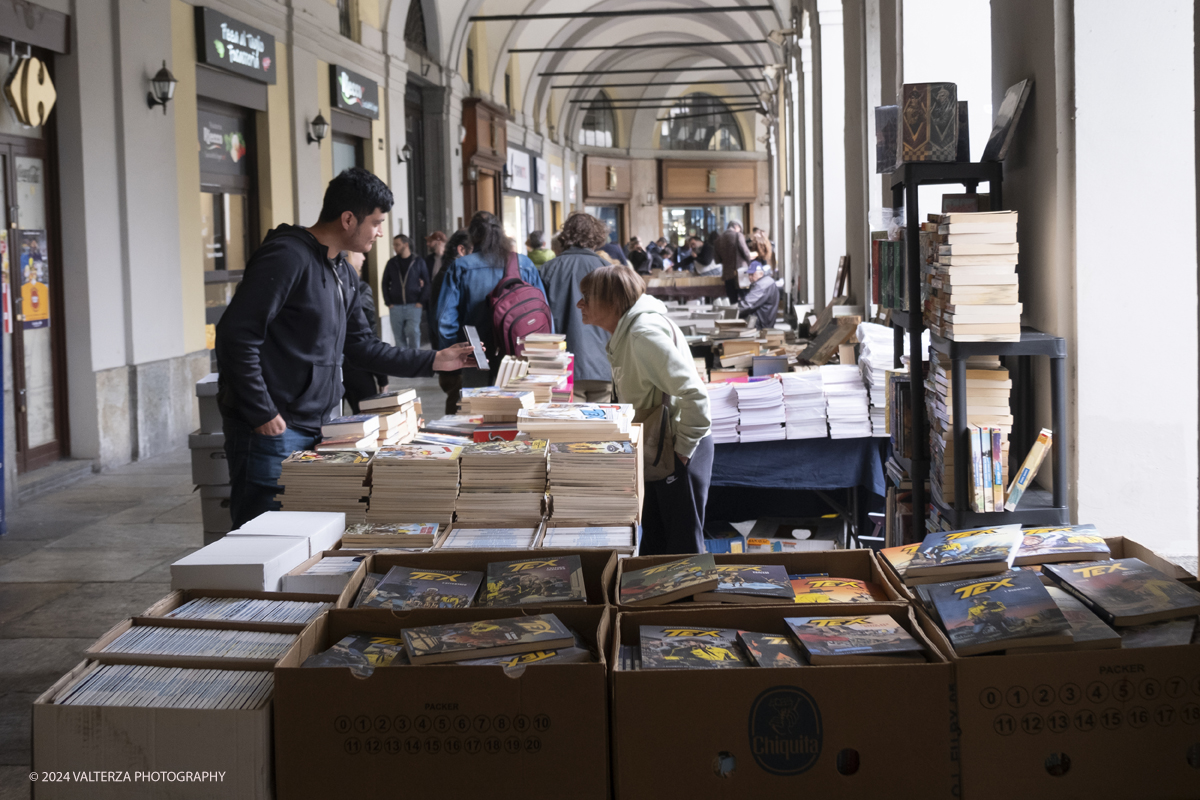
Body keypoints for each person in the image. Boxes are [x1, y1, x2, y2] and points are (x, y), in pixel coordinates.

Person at [215, 167, 475, 528]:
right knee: (263, 539)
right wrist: (260, 410)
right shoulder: (286, 256)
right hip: (273, 429)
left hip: (321, 426)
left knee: (303, 537)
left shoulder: (343, 272)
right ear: (348, 219)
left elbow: (361, 347)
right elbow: (235, 334)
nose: (380, 232)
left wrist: (433, 359)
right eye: (376, 222)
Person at [578, 265, 713, 555]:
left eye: (587, 297)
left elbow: (695, 394)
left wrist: (683, 450)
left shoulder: (642, 334)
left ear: (613, 302)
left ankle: (690, 601)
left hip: (676, 447)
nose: (580, 304)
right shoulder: (628, 332)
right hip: (657, 447)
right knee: (656, 544)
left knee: (683, 551)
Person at [436, 210, 548, 383]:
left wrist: (455, 351)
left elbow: (445, 320)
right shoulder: (524, 264)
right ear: (500, 233)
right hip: (519, 352)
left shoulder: (461, 266)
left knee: (478, 406)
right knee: (518, 406)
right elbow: (542, 309)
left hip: (475, 354)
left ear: (473, 235)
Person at [540, 212, 614, 402]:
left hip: (563, 366)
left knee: (569, 427)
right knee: (603, 426)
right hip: (604, 364)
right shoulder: (607, 268)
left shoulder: (549, 269)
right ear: (596, 236)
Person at [431, 229, 473, 414]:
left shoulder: (448, 272)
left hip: (451, 355)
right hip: (452, 357)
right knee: (457, 407)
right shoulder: (449, 275)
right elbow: (444, 323)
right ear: (462, 250)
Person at [340, 250, 388, 413]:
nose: (364, 258)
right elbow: (369, 334)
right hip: (357, 367)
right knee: (367, 421)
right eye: (360, 253)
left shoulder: (328, 286)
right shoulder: (361, 289)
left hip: (331, 369)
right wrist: (382, 376)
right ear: (351, 255)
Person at [382, 234, 429, 350]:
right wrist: (388, 302)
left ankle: (415, 359)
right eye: (394, 245)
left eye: (397, 245)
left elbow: (427, 283)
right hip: (395, 306)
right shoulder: (391, 263)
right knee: (398, 337)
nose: (395, 247)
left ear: (406, 245)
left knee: (413, 332)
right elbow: (384, 283)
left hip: (414, 305)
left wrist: (421, 301)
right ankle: (403, 363)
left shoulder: (418, 262)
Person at [714, 220, 753, 304]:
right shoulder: (738, 235)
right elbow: (746, 253)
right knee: (745, 299)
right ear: (736, 227)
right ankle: (744, 317)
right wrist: (750, 264)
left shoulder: (718, 240)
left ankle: (735, 317)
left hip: (727, 274)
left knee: (732, 301)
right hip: (741, 273)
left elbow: (717, 260)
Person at [738, 261, 780, 330]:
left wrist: (731, 312)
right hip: (765, 322)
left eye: (752, 274)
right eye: (749, 274)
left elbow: (747, 305)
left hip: (759, 325)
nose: (750, 277)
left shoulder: (762, 285)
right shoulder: (768, 281)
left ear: (761, 273)